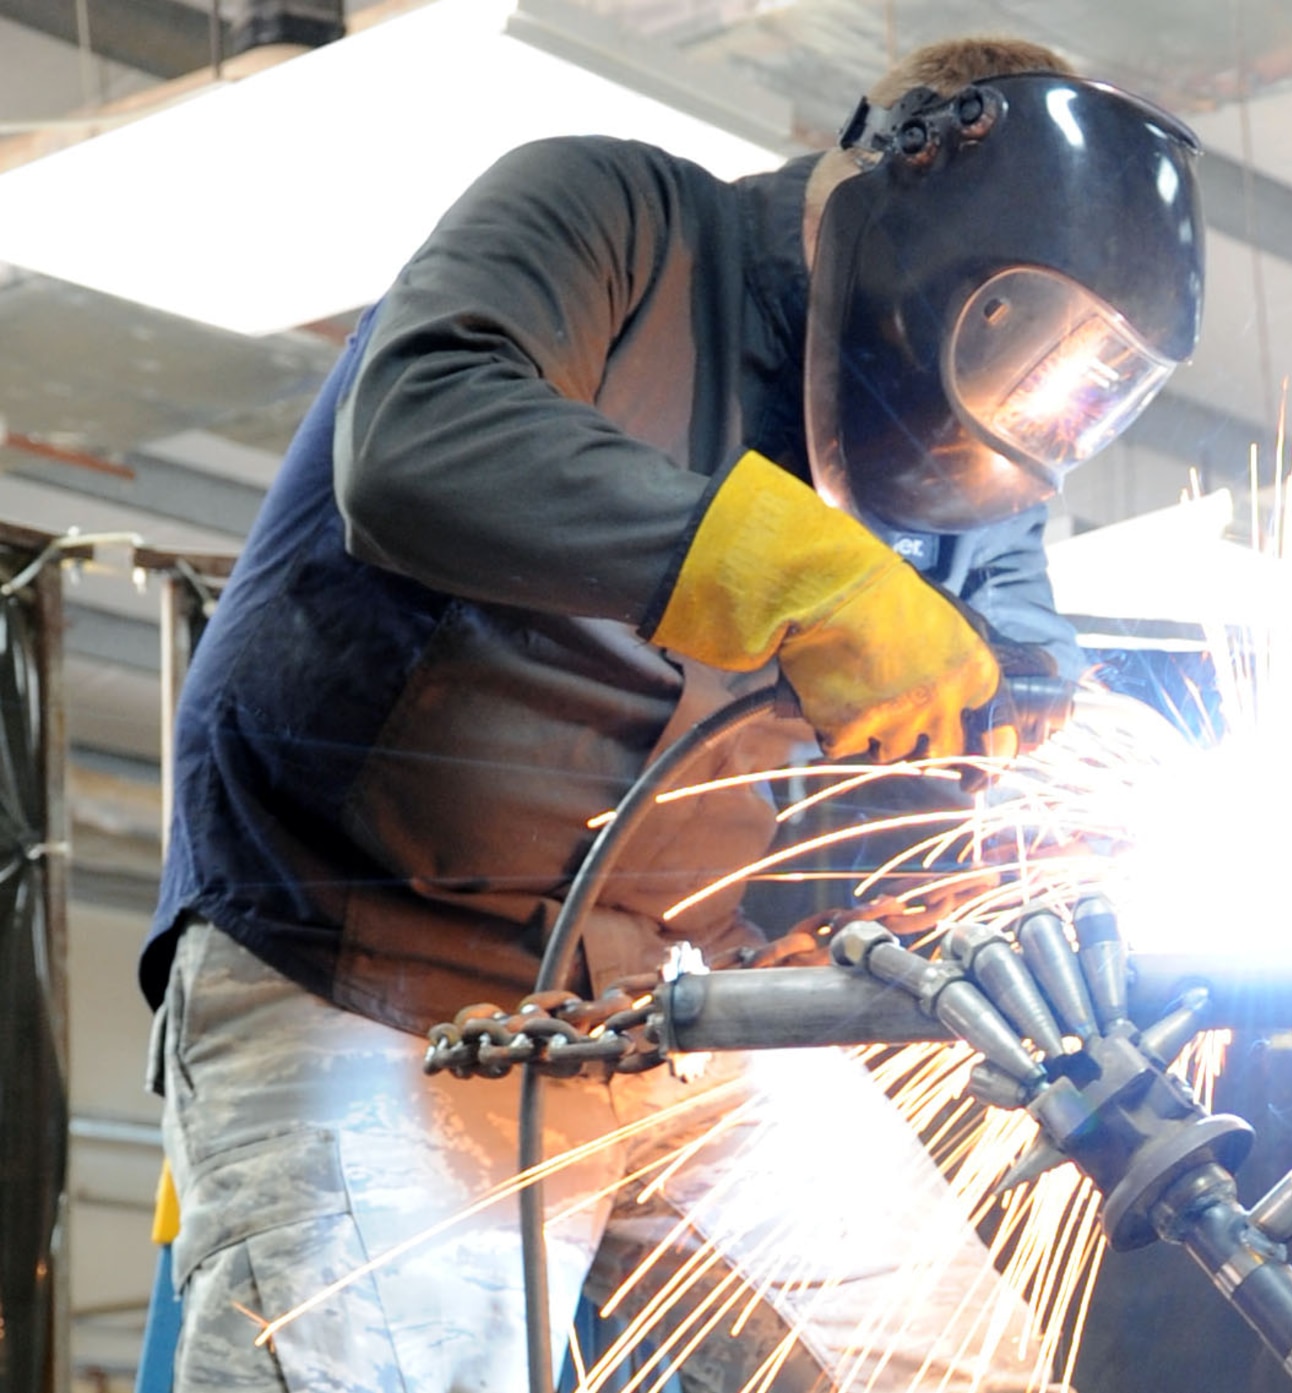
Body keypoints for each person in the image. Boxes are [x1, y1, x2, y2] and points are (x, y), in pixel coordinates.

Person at [141, 33, 1204, 1392]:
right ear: (900, 205)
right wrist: (792, 571)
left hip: (690, 1004)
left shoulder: (965, 474)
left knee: (965, 1371)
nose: (1046, 394)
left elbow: (1022, 662)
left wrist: (1017, 745)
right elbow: (420, 434)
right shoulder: (614, 217)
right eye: (1030, 338)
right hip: (368, 976)